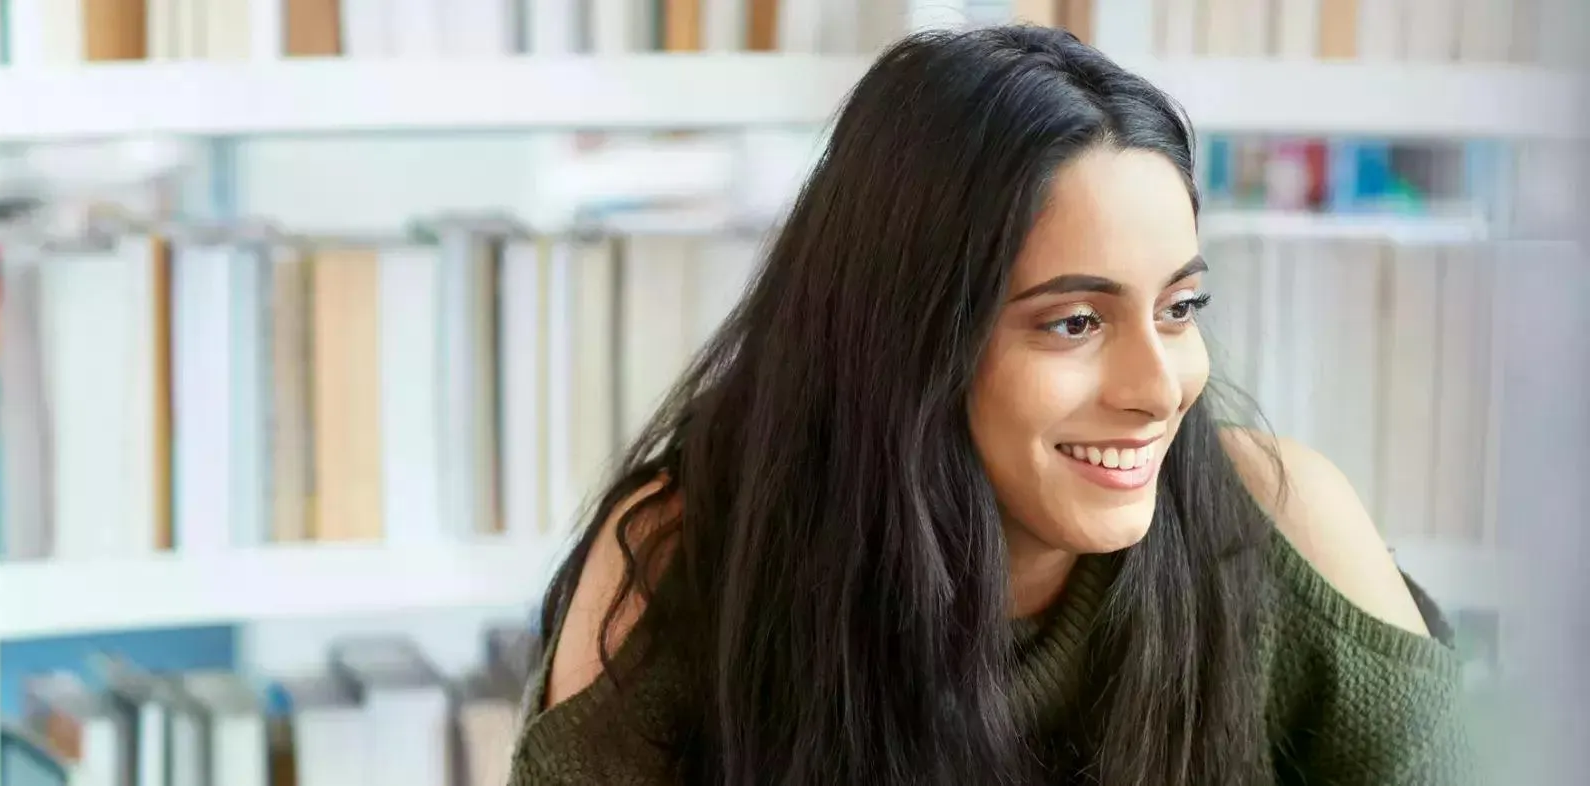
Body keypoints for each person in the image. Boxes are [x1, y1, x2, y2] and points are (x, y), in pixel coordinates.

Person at [505, 24, 1471, 786]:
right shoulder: (685, 556)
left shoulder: (1281, 518)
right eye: (1075, 323)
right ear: (909, 337)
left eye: (1179, 309)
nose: (1156, 390)